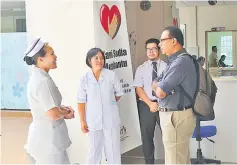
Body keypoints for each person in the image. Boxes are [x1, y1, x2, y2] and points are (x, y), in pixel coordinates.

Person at [23, 37, 74, 164]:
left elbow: (49, 107)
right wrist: (64, 113)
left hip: (49, 139)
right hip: (48, 141)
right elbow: (52, 114)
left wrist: (62, 109)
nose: (55, 57)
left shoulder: (41, 77)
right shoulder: (42, 82)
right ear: (40, 59)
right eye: (52, 54)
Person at [152, 26, 197, 164]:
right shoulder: (173, 60)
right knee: (180, 158)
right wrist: (160, 87)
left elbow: (159, 91)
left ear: (174, 41)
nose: (159, 45)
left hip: (176, 116)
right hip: (175, 114)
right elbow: (155, 82)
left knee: (175, 160)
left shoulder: (181, 62)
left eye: (162, 40)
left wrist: (160, 87)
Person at [77, 48, 124, 164]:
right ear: (89, 60)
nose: (100, 60)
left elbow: (118, 94)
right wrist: (82, 121)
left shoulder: (111, 75)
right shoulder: (84, 79)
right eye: (96, 58)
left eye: (102, 58)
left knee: (113, 150)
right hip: (93, 121)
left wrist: (108, 103)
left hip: (110, 119)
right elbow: (81, 101)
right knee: (93, 151)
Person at [133, 38, 167, 164]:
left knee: (168, 136)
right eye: (148, 49)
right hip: (146, 105)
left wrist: (158, 102)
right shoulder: (141, 69)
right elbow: (139, 88)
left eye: (153, 49)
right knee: (146, 137)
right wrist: (150, 103)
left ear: (159, 50)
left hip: (163, 104)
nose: (151, 51)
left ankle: (170, 161)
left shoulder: (166, 67)